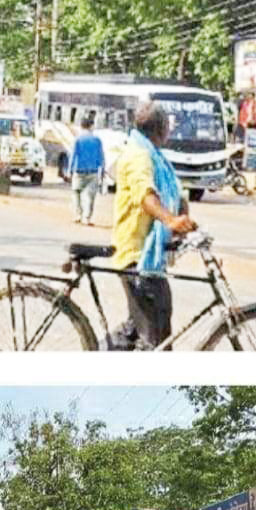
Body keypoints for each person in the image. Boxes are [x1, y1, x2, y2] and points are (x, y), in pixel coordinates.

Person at [111, 102, 197, 348]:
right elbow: (146, 195)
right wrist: (171, 220)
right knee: (156, 336)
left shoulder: (153, 155)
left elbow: (172, 193)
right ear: (161, 128)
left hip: (147, 256)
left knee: (140, 328)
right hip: (138, 257)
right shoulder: (139, 155)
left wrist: (182, 217)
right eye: (168, 126)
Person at [70, 113, 105, 225]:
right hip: (93, 172)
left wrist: (70, 170)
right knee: (90, 196)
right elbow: (101, 156)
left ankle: (78, 215)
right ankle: (87, 218)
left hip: (79, 171)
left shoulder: (78, 139)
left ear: (81, 126)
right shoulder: (97, 140)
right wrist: (102, 170)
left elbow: (73, 155)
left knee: (76, 192)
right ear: (91, 126)